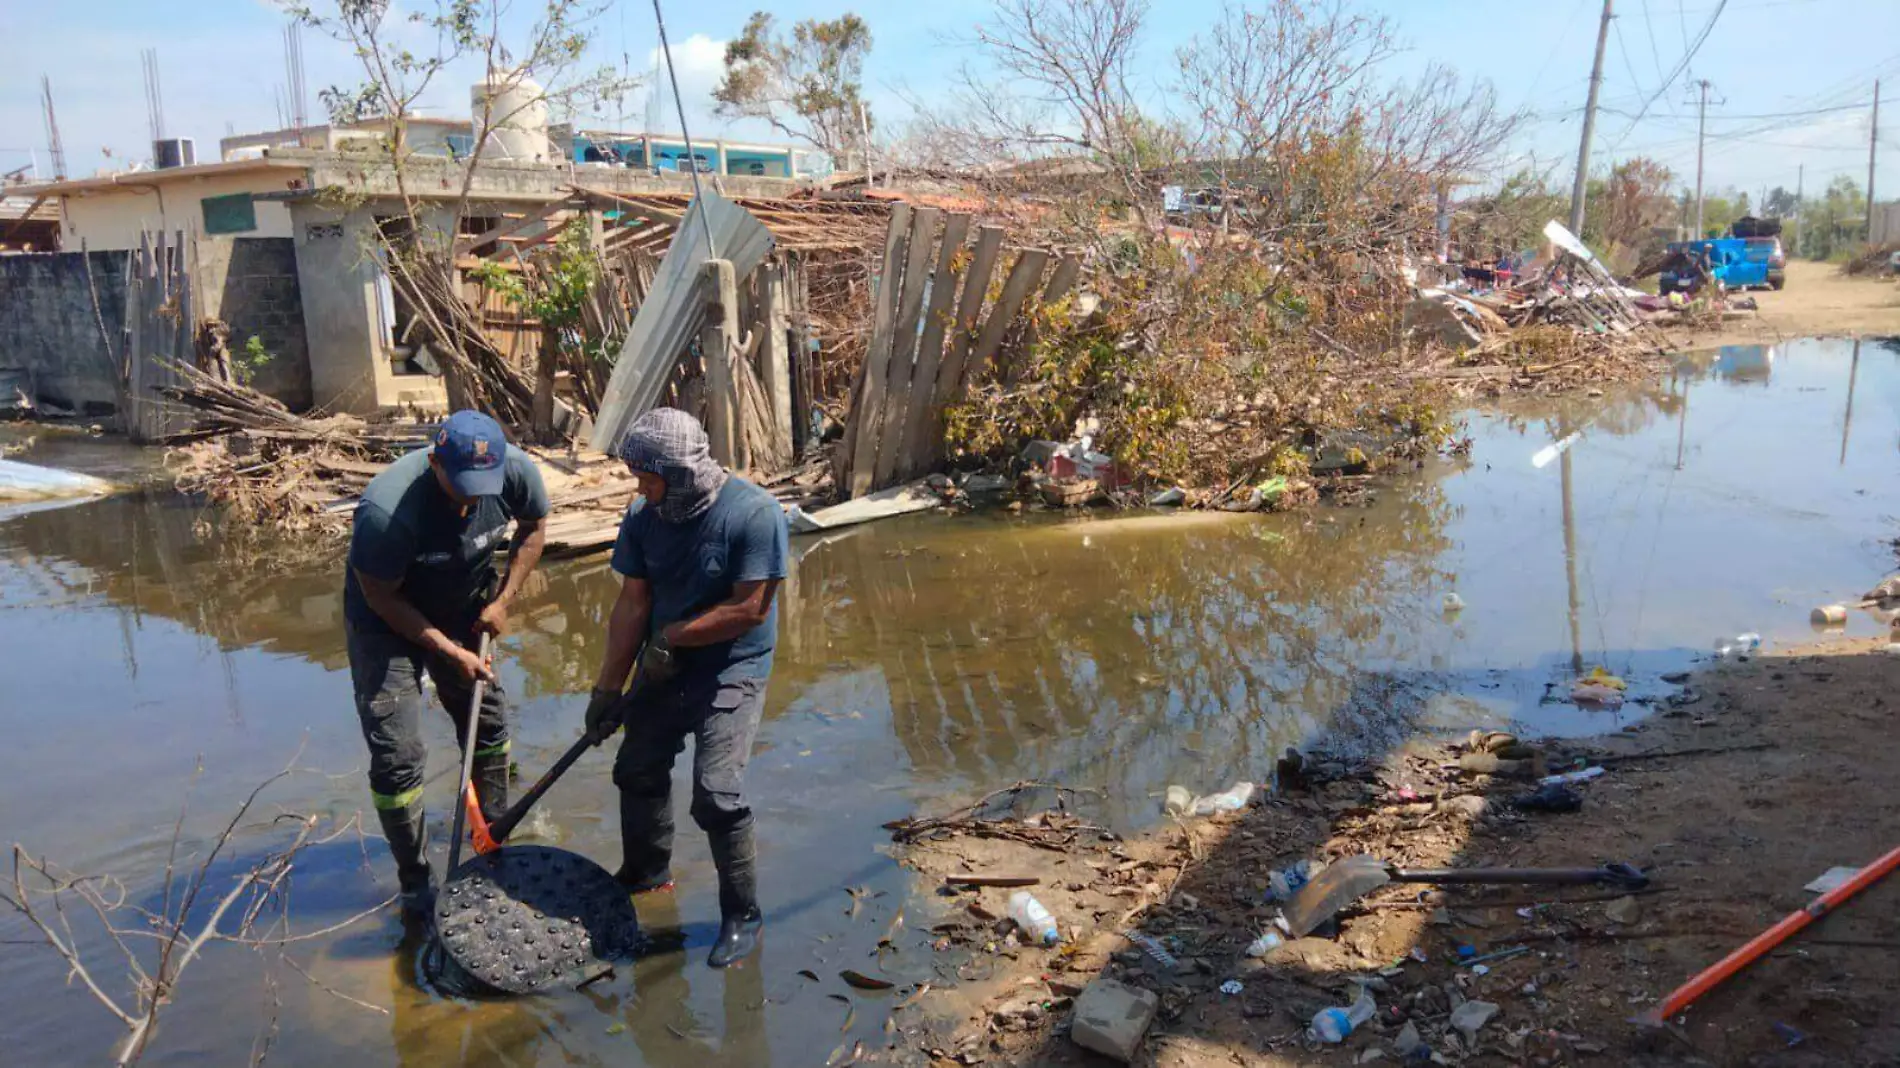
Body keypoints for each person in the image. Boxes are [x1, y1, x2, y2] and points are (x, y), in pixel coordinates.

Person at [583, 408, 789, 969]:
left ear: (681, 473)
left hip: (732, 665)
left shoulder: (754, 515)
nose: (640, 488)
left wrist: (673, 636)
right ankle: (648, 875)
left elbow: (750, 609)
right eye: (638, 477)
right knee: (636, 769)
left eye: (649, 478)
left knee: (717, 794)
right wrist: (606, 690)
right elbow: (633, 602)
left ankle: (743, 916)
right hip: (663, 664)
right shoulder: (642, 516)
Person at [344, 410, 550, 918]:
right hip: (385, 619)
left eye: (483, 487)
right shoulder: (386, 511)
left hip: (465, 601)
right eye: (461, 487)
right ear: (434, 462)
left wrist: (503, 601)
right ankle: (415, 881)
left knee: (488, 719)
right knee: (397, 754)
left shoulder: (518, 473)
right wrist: (447, 651)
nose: (472, 499)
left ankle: (494, 836)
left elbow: (534, 527)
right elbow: (382, 597)